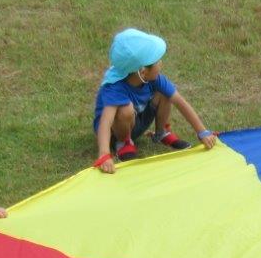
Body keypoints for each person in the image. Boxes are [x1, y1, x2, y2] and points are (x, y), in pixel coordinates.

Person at [92, 28, 217, 174]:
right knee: (125, 108)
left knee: (164, 93)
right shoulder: (115, 87)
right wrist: (104, 154)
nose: (161, 63)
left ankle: (161, 133)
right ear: (143, 71)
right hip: (115, 131)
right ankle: (124, 142)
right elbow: (105, 123)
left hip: (136, 120)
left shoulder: (154, 79)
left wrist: (202, 132)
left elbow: (180, 102)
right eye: (157, 61)